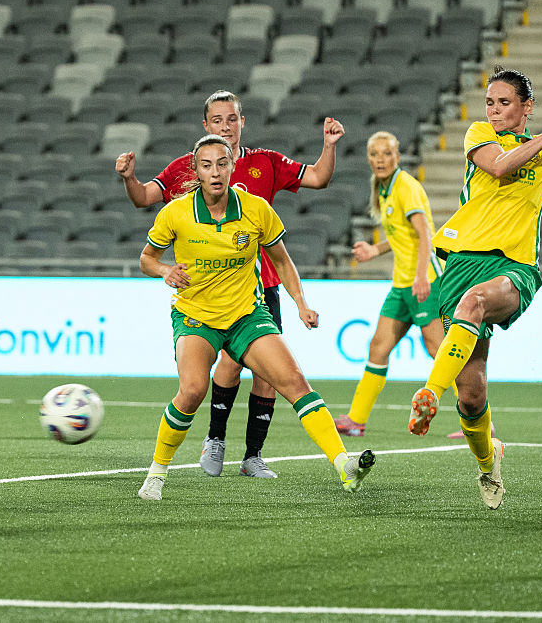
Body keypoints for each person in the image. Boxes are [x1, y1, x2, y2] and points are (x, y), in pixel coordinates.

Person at [407, 48, 542, 509]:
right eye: (489, 102)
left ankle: (428, 392)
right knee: (473, 395)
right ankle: (490, 462)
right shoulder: (479, 134)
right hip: (463, 262)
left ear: (526, 106)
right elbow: (501, 167)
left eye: (504, 103)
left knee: (474, 304)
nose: (493, 110)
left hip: (514, 267)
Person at [115, 89, 345, 479]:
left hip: (259, 288)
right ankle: (214, 439)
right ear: (206, 127)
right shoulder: (185, 170)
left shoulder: (265, 163)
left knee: (270, 374)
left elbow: (320, 178)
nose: (226, 126)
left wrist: (328, 145)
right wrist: (130, 178)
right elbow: (143, 201)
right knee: (223, 369)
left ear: (243, 122)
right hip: (205, 297)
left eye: (232, 119)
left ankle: (253, 454)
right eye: (217, 121)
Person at [133, 133, 375, 501]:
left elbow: (281, 260)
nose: (215, 172)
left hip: (246, 315)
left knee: (295, 382)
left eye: (222, 164)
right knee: (194, 389)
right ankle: (157, 472)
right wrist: (165, 270)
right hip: (196, 317)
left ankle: (344, 465)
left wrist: (300, 303)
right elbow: (146, 259)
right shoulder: (176, 213)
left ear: (232, 166)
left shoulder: (256, 208)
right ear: (195, 171)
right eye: (206, 165)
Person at [334, 130, 464, 437]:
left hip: (425, 280)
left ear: (397, 156)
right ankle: (356, 420)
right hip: (401, 284)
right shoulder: (383, 188)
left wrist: (421, 277)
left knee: (438, 349)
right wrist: (374, 250)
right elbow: (400, 237)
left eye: (387, 153)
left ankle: (475, 417)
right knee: (378, 347)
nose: (380, 160)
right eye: (375, 155)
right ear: (369, 159)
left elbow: (425, 235)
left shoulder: (406, 187)